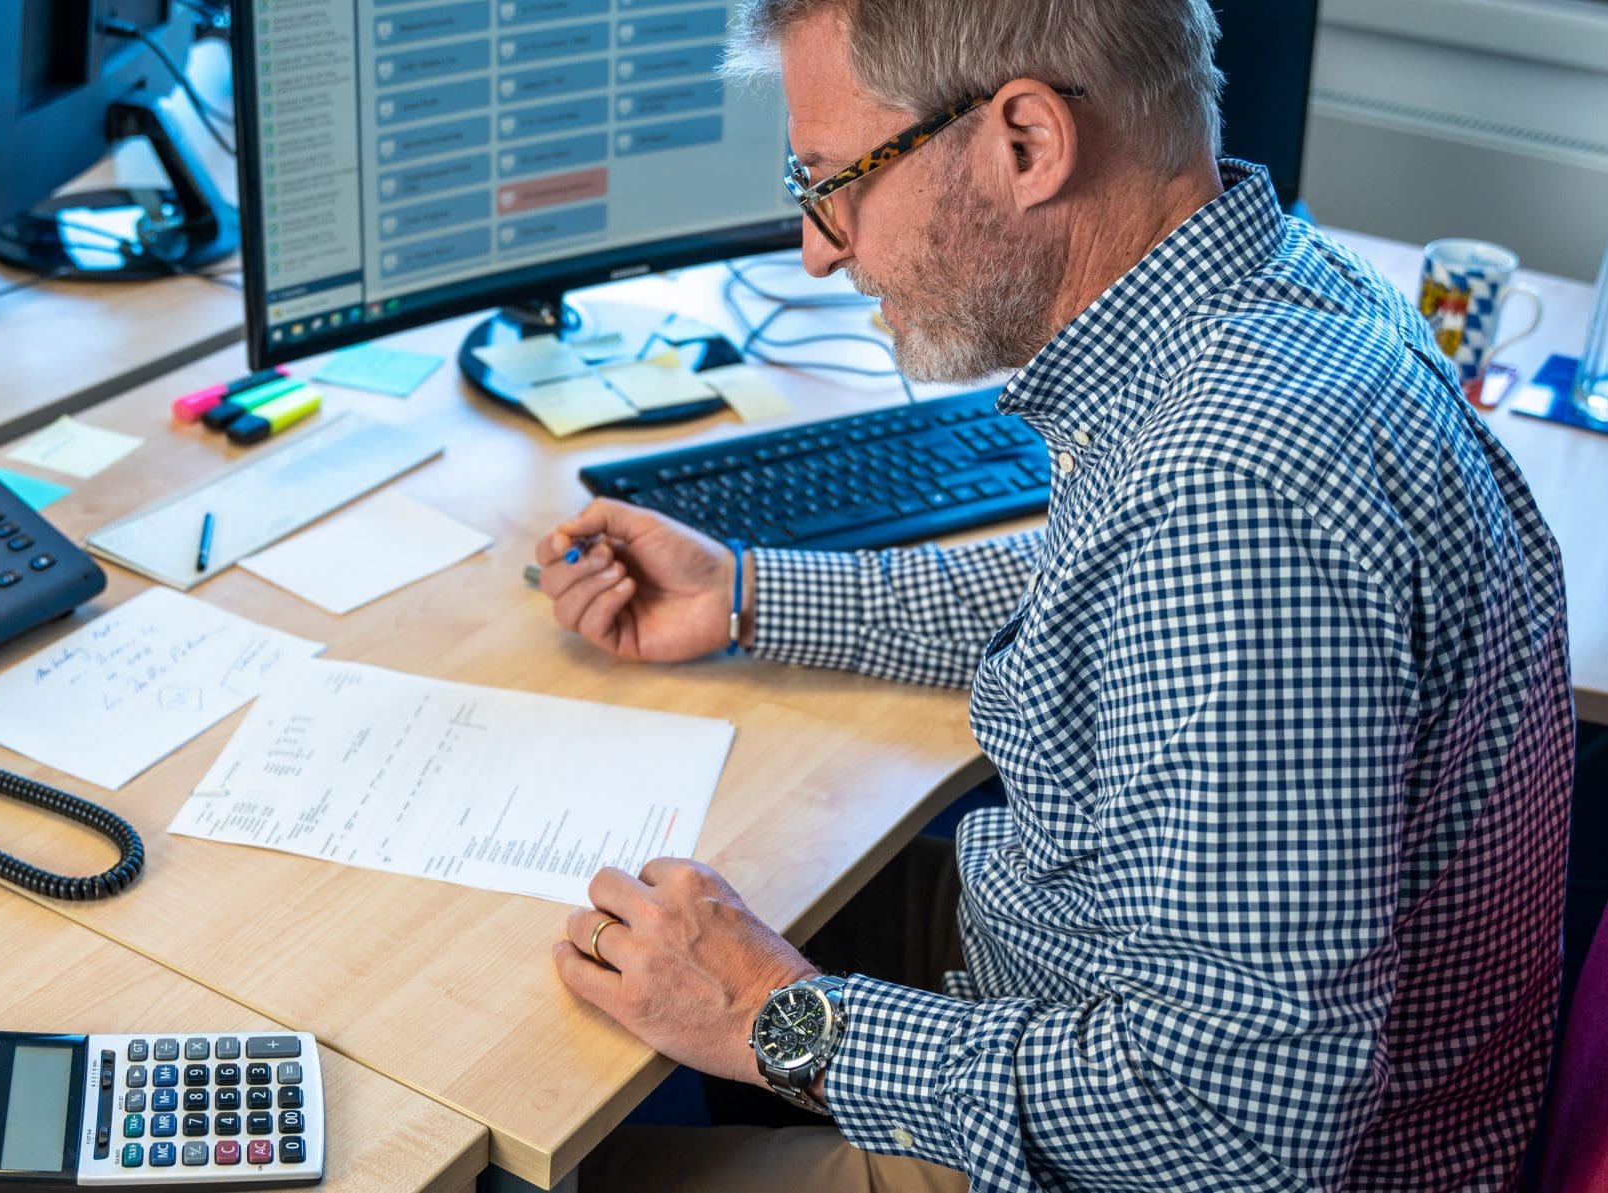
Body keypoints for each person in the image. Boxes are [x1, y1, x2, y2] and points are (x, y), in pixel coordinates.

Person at [532, 1, 1575, 1189]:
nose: (819, 249)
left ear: (1026, 142)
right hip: (1080, 979)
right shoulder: (1284, 291)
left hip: (1162, 1140)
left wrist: (781, 1018)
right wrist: (745, 593)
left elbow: (1237, 1131)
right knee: (636, 934)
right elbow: (1090, 596)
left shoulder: (1234, 489)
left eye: (831, 180)